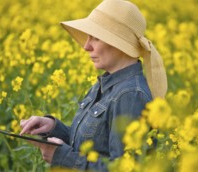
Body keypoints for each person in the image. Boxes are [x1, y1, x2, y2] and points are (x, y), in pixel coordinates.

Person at [20, 0, 167, 171]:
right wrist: (53, 128)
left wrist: (62, 157)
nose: (86, 46)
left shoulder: (130, 95)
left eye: (96, 37)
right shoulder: (106, 84)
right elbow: (95, 146)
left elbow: (124, 168)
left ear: (120, 43)